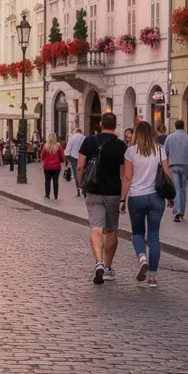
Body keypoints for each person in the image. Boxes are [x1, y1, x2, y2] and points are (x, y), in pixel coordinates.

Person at [121, 120, 173, 288]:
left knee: (137, 233)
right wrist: (171, 196)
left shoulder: (130, 151)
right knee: (154, 235)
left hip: (136, 197)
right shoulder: (160, 150)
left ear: (136, 134)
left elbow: (127, 178)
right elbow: (167, 174)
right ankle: (152, 277)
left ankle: (142, 257)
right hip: (156, 197)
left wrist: (122, 199)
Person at [77, 113, 127, 285]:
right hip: (113, 192)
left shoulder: (90, 141)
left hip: (94, 190)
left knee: (96, 228)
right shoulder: (121, 145)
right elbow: (124, 173)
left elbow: (79, 165)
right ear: (115, 125)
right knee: (112, 230)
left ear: (100, 124)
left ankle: (98, 261)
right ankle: (107, 267)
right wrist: (124, 196)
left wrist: (81, 183)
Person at [164, 120, 188, 222]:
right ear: (184, 126)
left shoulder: (169, 138)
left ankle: (178, 211)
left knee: (177, 188)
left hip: (173, 165)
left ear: (175, 126)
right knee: (183, 189)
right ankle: (181, 212)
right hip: (185, 166)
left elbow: (165, 152)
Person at [40, 133, 64, 200]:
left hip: (47, 167)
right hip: (56, 167)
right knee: (55, 181)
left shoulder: (45, 146)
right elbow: (62, 156)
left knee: (47, 181)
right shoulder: (58, 146)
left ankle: (47, 195)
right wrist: (61, 161)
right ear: (55, 138)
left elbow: (42, 157)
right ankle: (56, 196)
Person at [65, 126, 85, 197]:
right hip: (82, 157)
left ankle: (78, 191)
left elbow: (68, 148)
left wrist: (67, 156)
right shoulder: (84, 137)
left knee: (76, 173)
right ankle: (84, 188)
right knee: (83, 172)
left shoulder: (72, 138)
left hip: (73, 157)